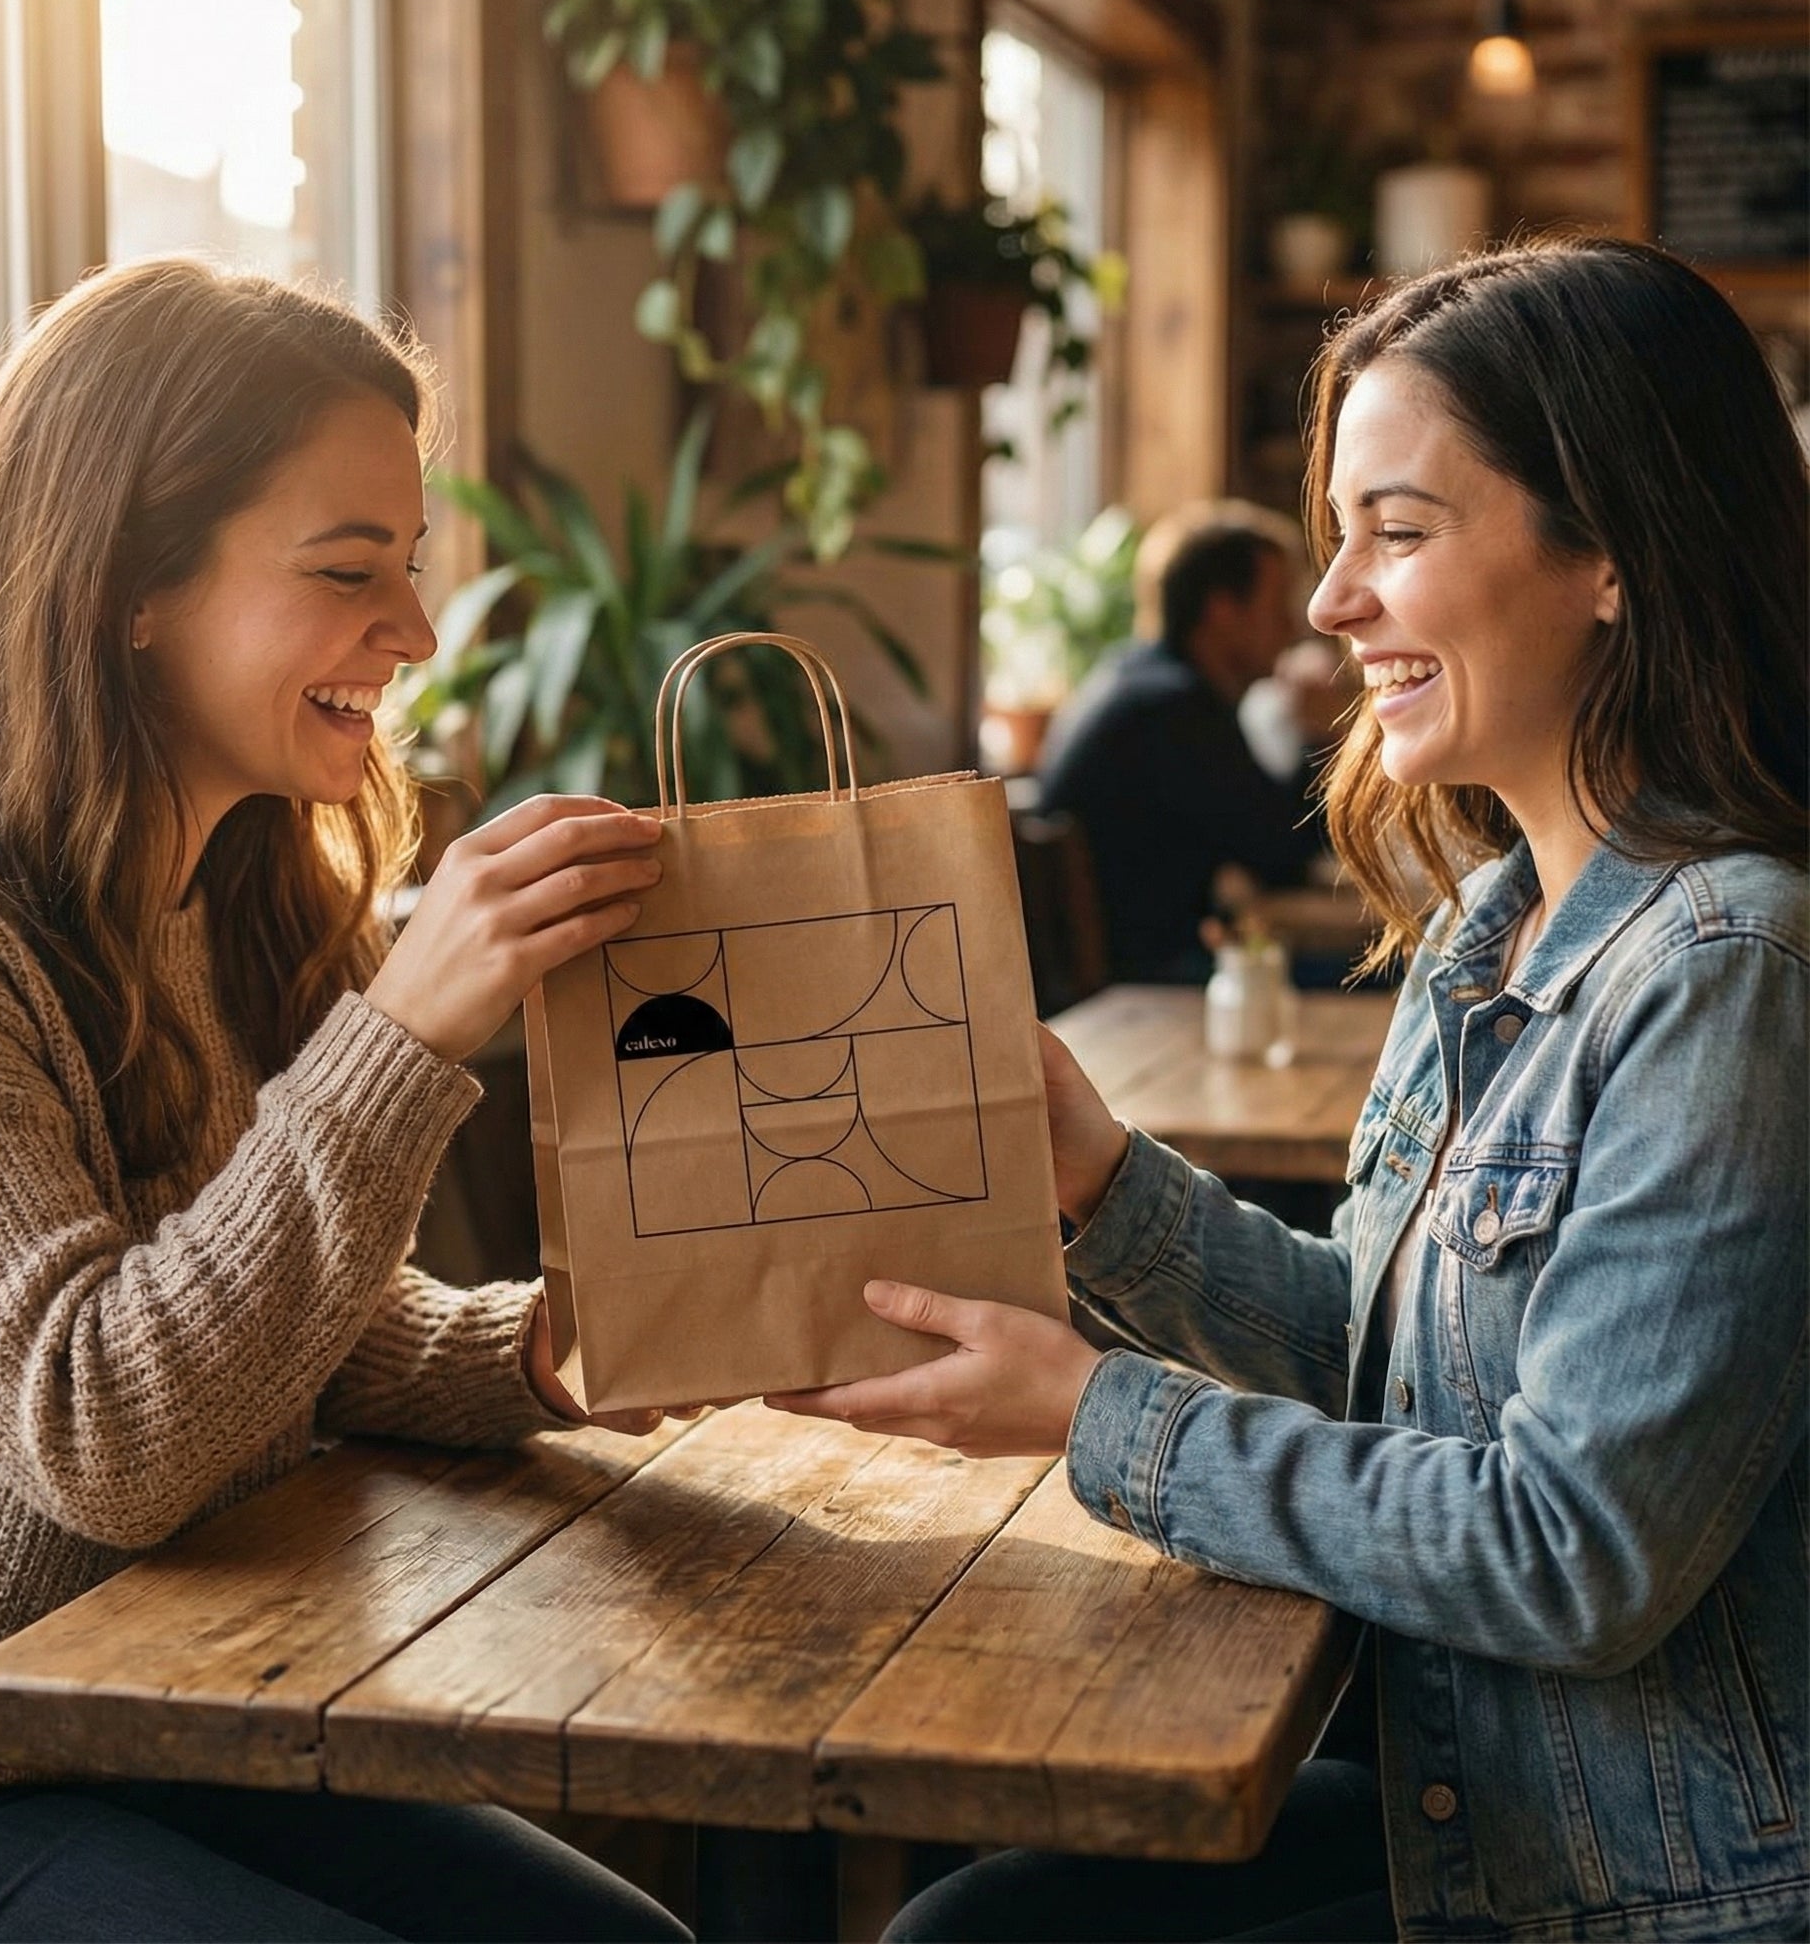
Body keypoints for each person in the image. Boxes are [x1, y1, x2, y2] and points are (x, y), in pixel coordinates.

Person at [773, 236, 1808, 1941]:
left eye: (1396, 533)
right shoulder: (1488, 925)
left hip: (1652, 1889)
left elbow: (1573, 1553)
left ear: (1614, 556)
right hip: (1477, 1802)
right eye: (1338, 536)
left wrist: (1093, 1413)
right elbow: (1401, 1379)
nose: (1330, 604)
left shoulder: (1730, 966)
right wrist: (1103, 1180)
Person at [0, 258, 689, 1942]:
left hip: (165, 1716)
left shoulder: (232, 889)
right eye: (349, 572)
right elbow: (103, 1429)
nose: (415, 633)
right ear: (130, 585)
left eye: (408, 566)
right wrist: (407, 1033)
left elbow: (280, 1336)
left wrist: (549, 1353)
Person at [1036, 500, 1338, 984]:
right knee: (1387, 973)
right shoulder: (1173, 709)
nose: (1295, 627)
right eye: (1279, 604)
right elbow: (1284, 852)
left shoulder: (1140, 681)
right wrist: (1319, 733)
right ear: (1222, 611)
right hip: (1146, 983)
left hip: (1148, 964)